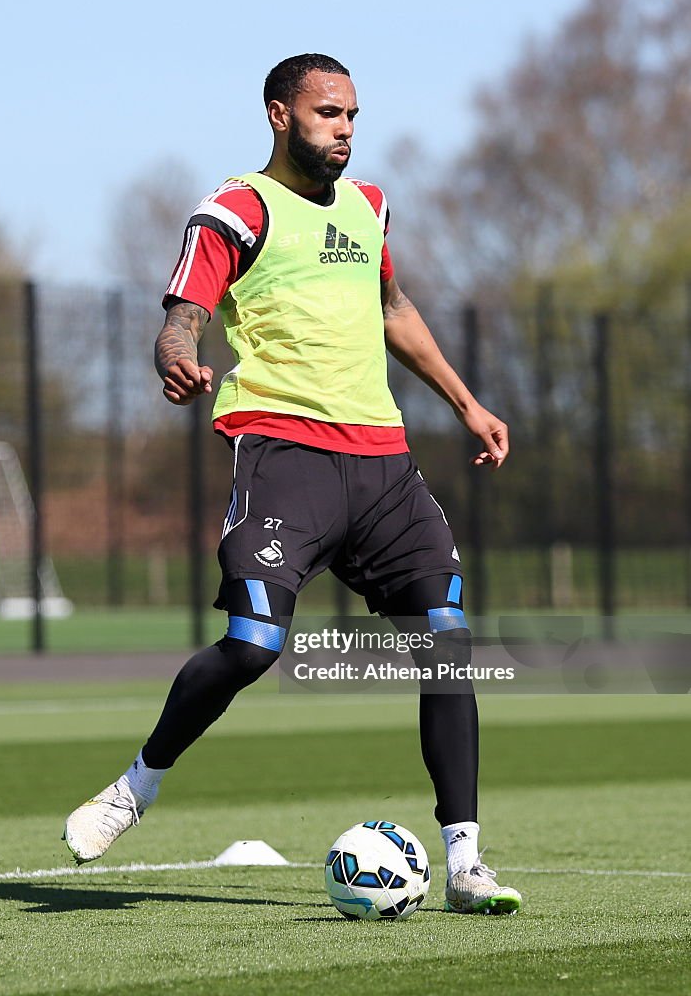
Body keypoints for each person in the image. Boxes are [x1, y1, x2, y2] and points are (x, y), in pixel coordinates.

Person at [64, 54, 522, 916]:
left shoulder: (371, 205)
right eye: (327, 113)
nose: (345, 128)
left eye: (352, 114)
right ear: (280, 115)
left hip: (385, 468)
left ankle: (466, 864)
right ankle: (135, 787)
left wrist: (466, 403)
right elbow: (184, 316)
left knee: (449, 641)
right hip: (287, 460)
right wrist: (179, 359)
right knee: (253, 647)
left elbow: (391, 309)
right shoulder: (236, 208)